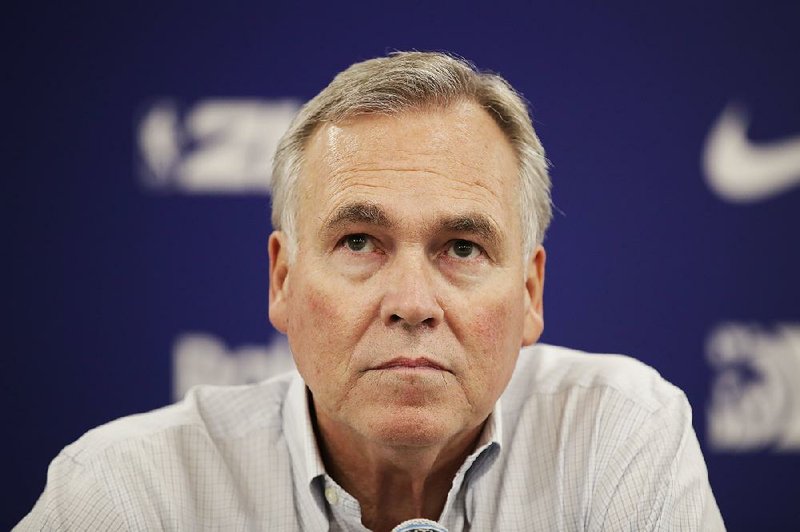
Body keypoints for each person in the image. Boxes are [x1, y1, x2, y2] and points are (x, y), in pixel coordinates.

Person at [17, 51, 725, 531]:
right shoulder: (130, 496)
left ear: (531, 293)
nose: (411, 302)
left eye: (462, 248)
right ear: (283, 280)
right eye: (359, 242)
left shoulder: (619, 440)